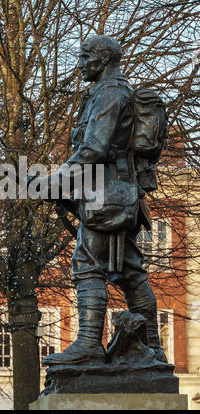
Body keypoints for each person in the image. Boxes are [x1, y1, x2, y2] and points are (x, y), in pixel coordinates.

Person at [42, 35, 167, 365]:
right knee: (131, 272)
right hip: (112, 192)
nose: (80, 63)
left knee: (87, 265)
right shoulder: (105, 92)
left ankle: (88, 345)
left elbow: (94, 150)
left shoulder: (110, 92)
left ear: (103, 59)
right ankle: (153, 349)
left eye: (85, 56)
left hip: (108, 194)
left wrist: (52, 181)